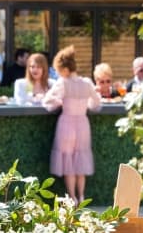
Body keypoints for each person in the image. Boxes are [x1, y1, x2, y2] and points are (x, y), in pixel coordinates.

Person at [43, 46, 101, 205]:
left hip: (67, 123)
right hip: (82, 123)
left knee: (68, 162)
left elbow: (47, 101)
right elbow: (96, 103)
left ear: (64, 69)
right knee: (80, 160)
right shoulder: (87, 83)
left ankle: (72, 197)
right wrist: (85, 105)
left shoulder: (63, 83)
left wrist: (60, 102)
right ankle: (81, 196)